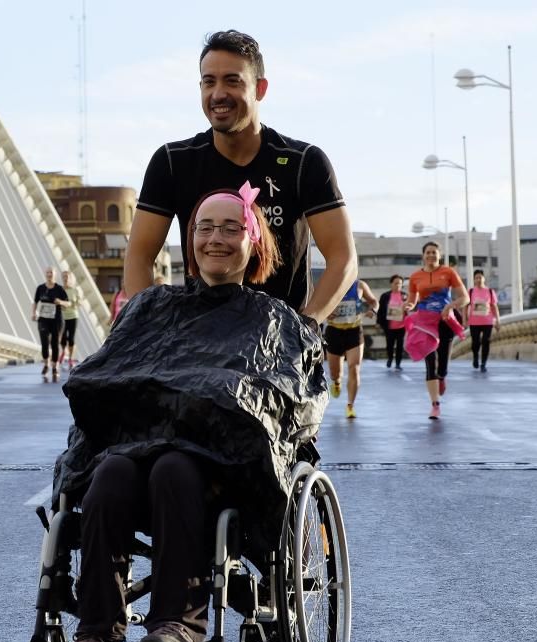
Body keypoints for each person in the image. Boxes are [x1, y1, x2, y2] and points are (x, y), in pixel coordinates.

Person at [52, 183, 322, 642]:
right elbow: (110, 371)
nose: (215, 238)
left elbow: (283, 402)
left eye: (231, 228)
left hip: (225, 466)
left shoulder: (277, 321)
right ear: (190, 241)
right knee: (110, 474)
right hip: (136, 453)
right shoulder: (151, 306)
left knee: (173, 468)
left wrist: (210, 403)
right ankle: (96, 634)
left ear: (253, 241)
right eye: (204, 228)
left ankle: (179, 625)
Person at [122, 29, 357, 328]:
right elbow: (139, 256)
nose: (218, 94)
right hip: (199, 347)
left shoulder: (304, 162)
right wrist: (154, 332)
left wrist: (304, 329)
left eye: (232, 81)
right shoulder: (172, 161)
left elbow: (343, 258)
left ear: (260, 89)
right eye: (209, 82)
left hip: (280, 352)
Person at [405, 242, 469, 419]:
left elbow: (465, 297)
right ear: (423, 256)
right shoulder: (416, 277)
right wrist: (408, 305)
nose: (431, 255)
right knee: (430, 362)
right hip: (425, 323)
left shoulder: (448, 273)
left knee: (442, 363)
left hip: (444, 321)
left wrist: (451, 305)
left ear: (439, 255)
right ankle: (435, 404)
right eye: (428, 252)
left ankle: (442, 376)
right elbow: (412, 300)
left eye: (434, 252)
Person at [323, 279, 377, 418]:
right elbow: (318, 304)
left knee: (354, 367)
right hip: (334, 331)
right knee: (335, 373)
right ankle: (336, 382)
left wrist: (373, 310)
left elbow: (373, 301)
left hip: (354, 330)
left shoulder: (360, 285)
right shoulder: (329, 282)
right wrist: (326, 312)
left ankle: (350, 406)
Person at [31, 267, 70, 381]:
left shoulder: (59, 289)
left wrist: (60, 302)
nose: (49, 274)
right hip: (43, 319)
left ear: (55, 275)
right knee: (44, 342)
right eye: (47, 272)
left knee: (54, 343)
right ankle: (46, 363)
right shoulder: (41, 288)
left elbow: (68, 303)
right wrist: (33, 313)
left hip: (56, 320)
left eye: (51, 273)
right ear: (45, 274)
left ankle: (54, 366)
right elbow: (35, 302)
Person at [467, 269, 501, 372]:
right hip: (474, 322)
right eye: (476, 278)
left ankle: (483, 363)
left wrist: (498, 320)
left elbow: (494, 306)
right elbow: (466, 306)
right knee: (475, 342)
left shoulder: (490, 291)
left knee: (486, 341)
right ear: (474, 280)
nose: (478, 279)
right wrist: (464, 319)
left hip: (487, 321)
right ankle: (475, 357)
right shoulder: (471, 291)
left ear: (484, 278)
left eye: (480, 277)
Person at [376, 274, 407, 370]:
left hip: (402, 325)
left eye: (400, 283)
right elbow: (380, 310)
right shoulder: (385, 296)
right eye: (396, 283)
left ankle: (398, 363)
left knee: (400, 345)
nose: (398, 285)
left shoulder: (405, 296)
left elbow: (410, 308)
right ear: (391, 284)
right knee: (390, 344)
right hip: (389, 326)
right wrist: (378, 322)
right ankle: (390, 358)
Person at [57, 271, 81, 369]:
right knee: (62, 338)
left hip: (73, 316)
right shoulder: (59, 290)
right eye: (64, 277)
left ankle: (70, 358)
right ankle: (63, 351)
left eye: (67, 276)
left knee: (71, 338)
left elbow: (79, 303)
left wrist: (71, 303)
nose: (65, 278)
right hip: (62, 316)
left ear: (70, 278)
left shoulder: (75, 290)